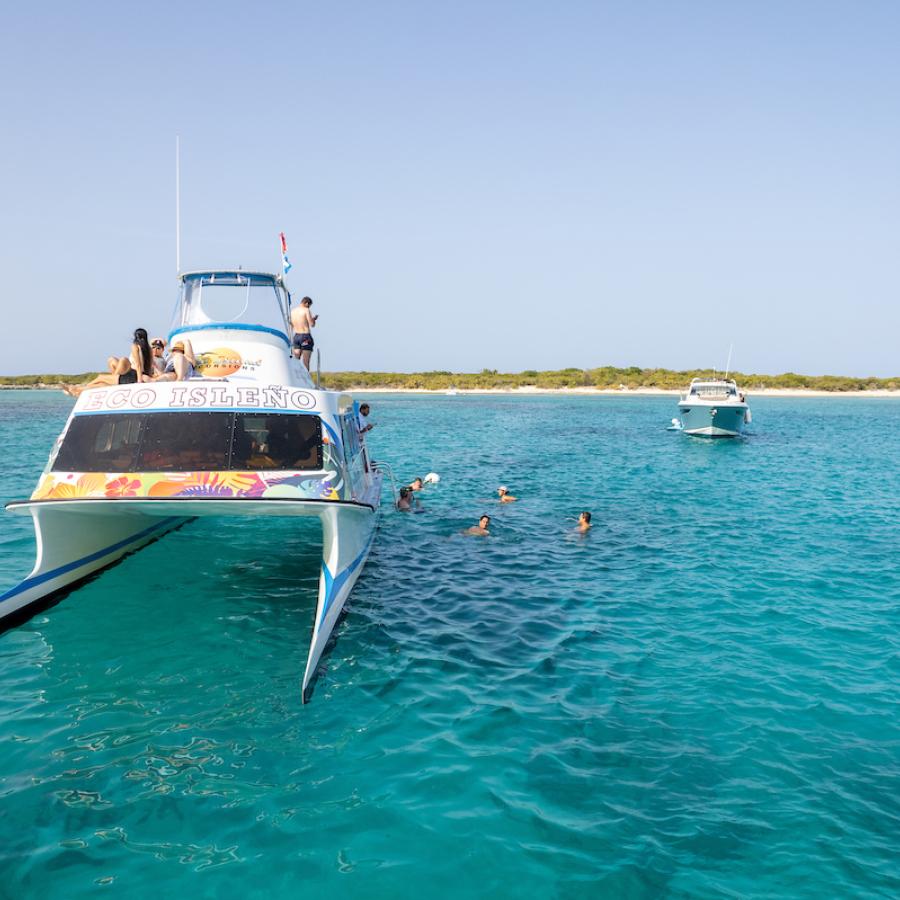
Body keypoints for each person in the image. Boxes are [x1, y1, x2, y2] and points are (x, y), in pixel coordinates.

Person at [63, 356, 138, 396]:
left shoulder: (140, 350)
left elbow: (141, 368)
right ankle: (77, 390)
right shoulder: (141, 349)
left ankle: (79, 389)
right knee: (111, 360)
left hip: (130, 378)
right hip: (129, 374)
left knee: (100, 378)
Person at [290, 296, 318, 369]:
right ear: (306, 303)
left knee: (295, 361)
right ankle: (306, 379)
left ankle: (296, 378)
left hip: (296, 336)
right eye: (309, 305)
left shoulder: (292, 311)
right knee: (306, 362)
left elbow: (291, 325)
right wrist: (314, 320)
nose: (309, 307)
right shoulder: (306, 310)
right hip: (305, 336)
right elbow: (312, 324)